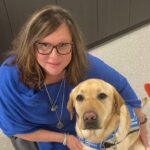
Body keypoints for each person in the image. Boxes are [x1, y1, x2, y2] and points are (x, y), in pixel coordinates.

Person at [0, 4, 149, 150]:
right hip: (38, 135)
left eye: (63, 45)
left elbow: (121, 86)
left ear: (73, 45)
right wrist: (64, 139)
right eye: (44, 45)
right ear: (30, 45)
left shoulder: (83, 64)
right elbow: (15, 129)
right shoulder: (8, 77)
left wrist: (141, 121)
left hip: (79, 131)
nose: (54, 56)